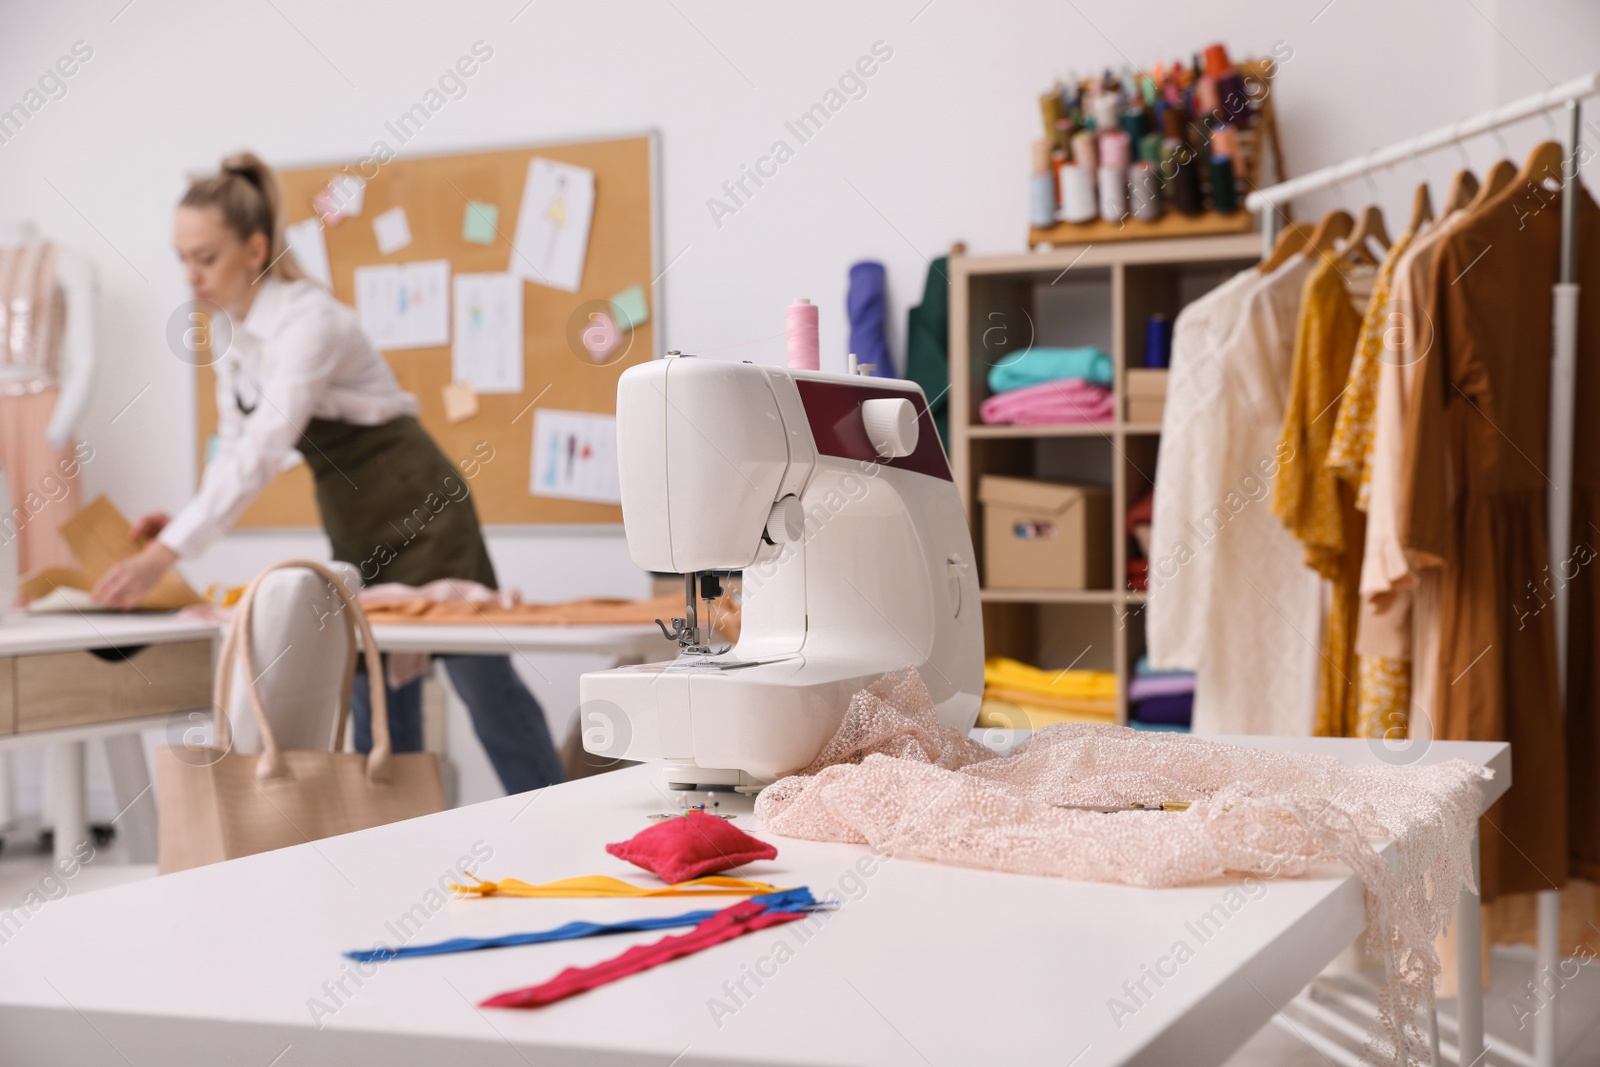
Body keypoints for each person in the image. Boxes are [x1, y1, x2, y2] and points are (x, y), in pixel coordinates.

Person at [92, 152, 565, 794]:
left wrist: (162, 558)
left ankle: (549, 811)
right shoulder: (235, 339)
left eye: (204, 257)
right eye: (182, 257)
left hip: (427, 514)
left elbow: (265, 446)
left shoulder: (310, 320)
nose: (190, 275)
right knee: (374, 699)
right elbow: (233, 450)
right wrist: (175, 529)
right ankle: (399, 848)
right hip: (359, 526)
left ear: (255, 249)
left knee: (484, 686)